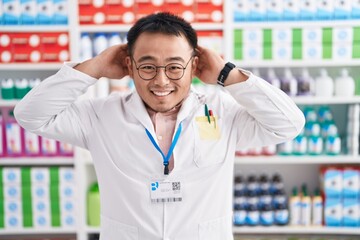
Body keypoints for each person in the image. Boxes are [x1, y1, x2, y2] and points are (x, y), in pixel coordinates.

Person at [14, 12, 305, 240]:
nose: (162, 81)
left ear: (194, 66)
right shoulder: (99, 116)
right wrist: (96, 66)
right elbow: (30, 114)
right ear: (129, 66)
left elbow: (289, 123)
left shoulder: (222, 113)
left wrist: (227, 74)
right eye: (148, 66)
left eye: (175, 67)